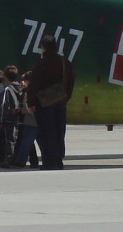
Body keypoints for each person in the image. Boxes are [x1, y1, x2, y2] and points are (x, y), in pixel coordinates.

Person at [26, 35, 76, 170]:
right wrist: (66, 97)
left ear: (43, 47)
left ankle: (49, 162)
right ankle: (58, 160)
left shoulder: (41, 64)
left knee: (46, 133)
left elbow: (33, 85)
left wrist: (30, 102)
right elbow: (71, 82)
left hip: (44, 104)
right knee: (60, 132)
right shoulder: (65, 62)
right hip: (60, 101)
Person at [6, 72, 40, 168]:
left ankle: (20, 161)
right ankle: (45, 160)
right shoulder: (36, 90)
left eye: (25, 80)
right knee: (38, 142)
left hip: (30, 120)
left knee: (26, 142)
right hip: (38, 120)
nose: (22, 82)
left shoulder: (29, 92)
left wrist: (21, 110)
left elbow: (28, 108)